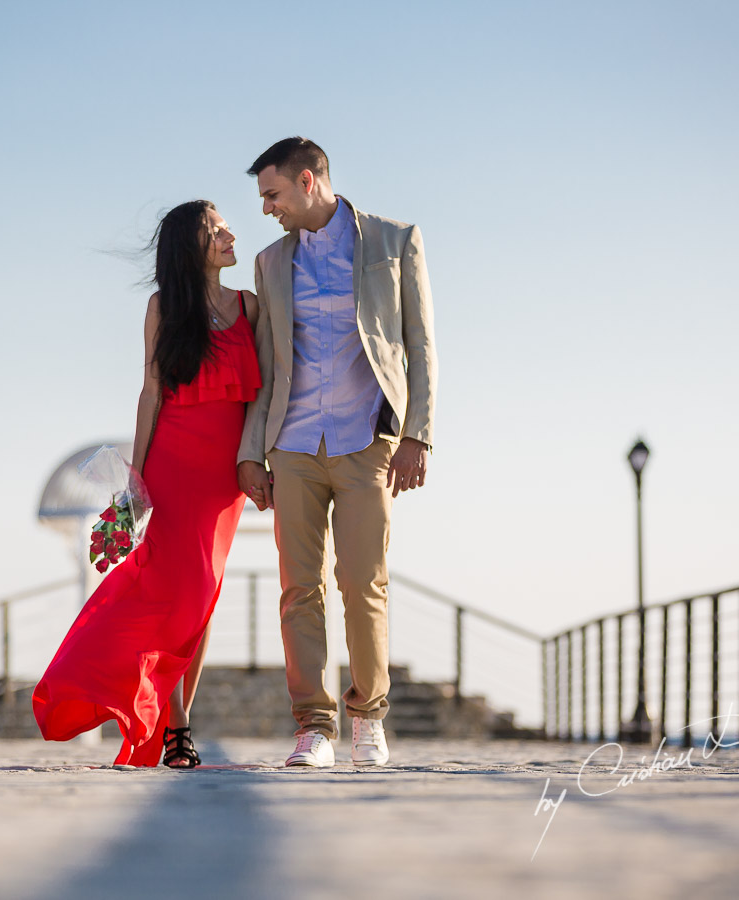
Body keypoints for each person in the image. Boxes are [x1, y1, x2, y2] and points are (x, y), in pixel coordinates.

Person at [33, 200, 260, 768]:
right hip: (173, 465)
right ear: (192, 247)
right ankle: (177, 729)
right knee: (181, 592)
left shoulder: (250, 307)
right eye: (216, 230)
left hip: (224, 478)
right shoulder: (163, 308)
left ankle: (170, 722)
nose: (231, 234)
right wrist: (135, 481)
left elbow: (265, 394)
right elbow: (151, 393)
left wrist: (259, 460)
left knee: (200, 598)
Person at [237, 137, 437, 767]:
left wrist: (418, 434)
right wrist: (251, 452)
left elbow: (420, 342)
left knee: (363, 583)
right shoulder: (271, 263)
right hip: (292, 445)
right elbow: (265, 364)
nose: (267, 208)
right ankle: (313, 728)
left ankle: (368, 718)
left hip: (365, 441)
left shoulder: (393, 240)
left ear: (307, 181)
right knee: (299, 589)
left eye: (272, 194)